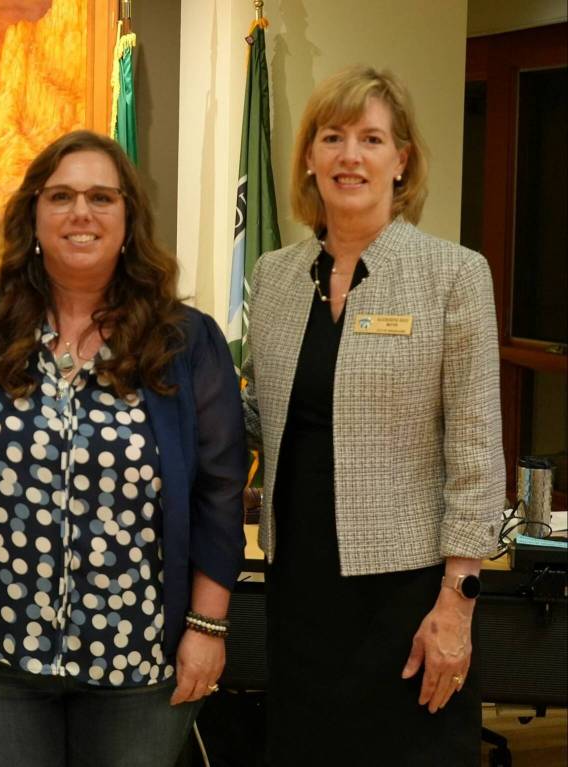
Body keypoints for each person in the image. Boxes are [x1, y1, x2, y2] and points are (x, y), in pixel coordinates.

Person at [0, 129, 248, 767]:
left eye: (102, 197)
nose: (82, 213)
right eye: (63, 197)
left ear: (128, 219)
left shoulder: (186, 342)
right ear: (34, 216)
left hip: (137, 656)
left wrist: (208, 628)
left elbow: (219, 489)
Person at [241, 66, 503, 765]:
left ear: (402, 159)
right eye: (332, 137)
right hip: (298, 588)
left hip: (407, 598)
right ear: (308, 156)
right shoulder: (273, 276)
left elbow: (478, 454)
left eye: (371, 138)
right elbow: (256, 415)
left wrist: (458, 601)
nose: (349, 155)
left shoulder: (454, 275)